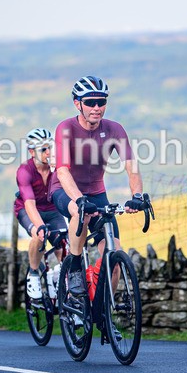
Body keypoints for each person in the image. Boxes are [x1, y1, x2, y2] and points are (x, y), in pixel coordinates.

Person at [49, 76, 149, 297]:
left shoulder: (114, 129)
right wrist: (78, 199)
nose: (97, 107)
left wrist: (137, 195)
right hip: (64, 190)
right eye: (90, 102)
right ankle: (75, 267)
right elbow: (62, 170)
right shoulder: (66, 128)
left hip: (96, 192)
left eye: (101, 101)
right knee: (81, 213)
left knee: (114, 255)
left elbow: (131, 166)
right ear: (78, 103)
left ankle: (106, 318)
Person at [14, 128, 67, 299]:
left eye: (50, 147)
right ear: (32, 151)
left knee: (63, 242)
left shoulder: (56, 167)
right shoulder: (24, 171)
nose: (48, 152)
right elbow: (29, 204)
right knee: (39, 235)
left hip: (52, 210)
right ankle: (34, 273)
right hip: (28, 209)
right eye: (43, 149)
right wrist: (39, 226)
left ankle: (63, 279)